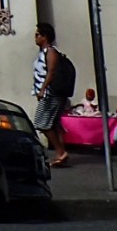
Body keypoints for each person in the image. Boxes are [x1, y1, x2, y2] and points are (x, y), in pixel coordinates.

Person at [32, 21, 73, 166]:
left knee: (42, 123)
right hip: (47, 93)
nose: (35, 37)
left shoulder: (51, 52)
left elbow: (51, 72)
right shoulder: (43, 53)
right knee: (53, 123)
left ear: (45, 36)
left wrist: (43, 89)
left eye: (38, 34)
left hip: (51, 94)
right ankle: (61, 153)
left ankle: (60, 151)